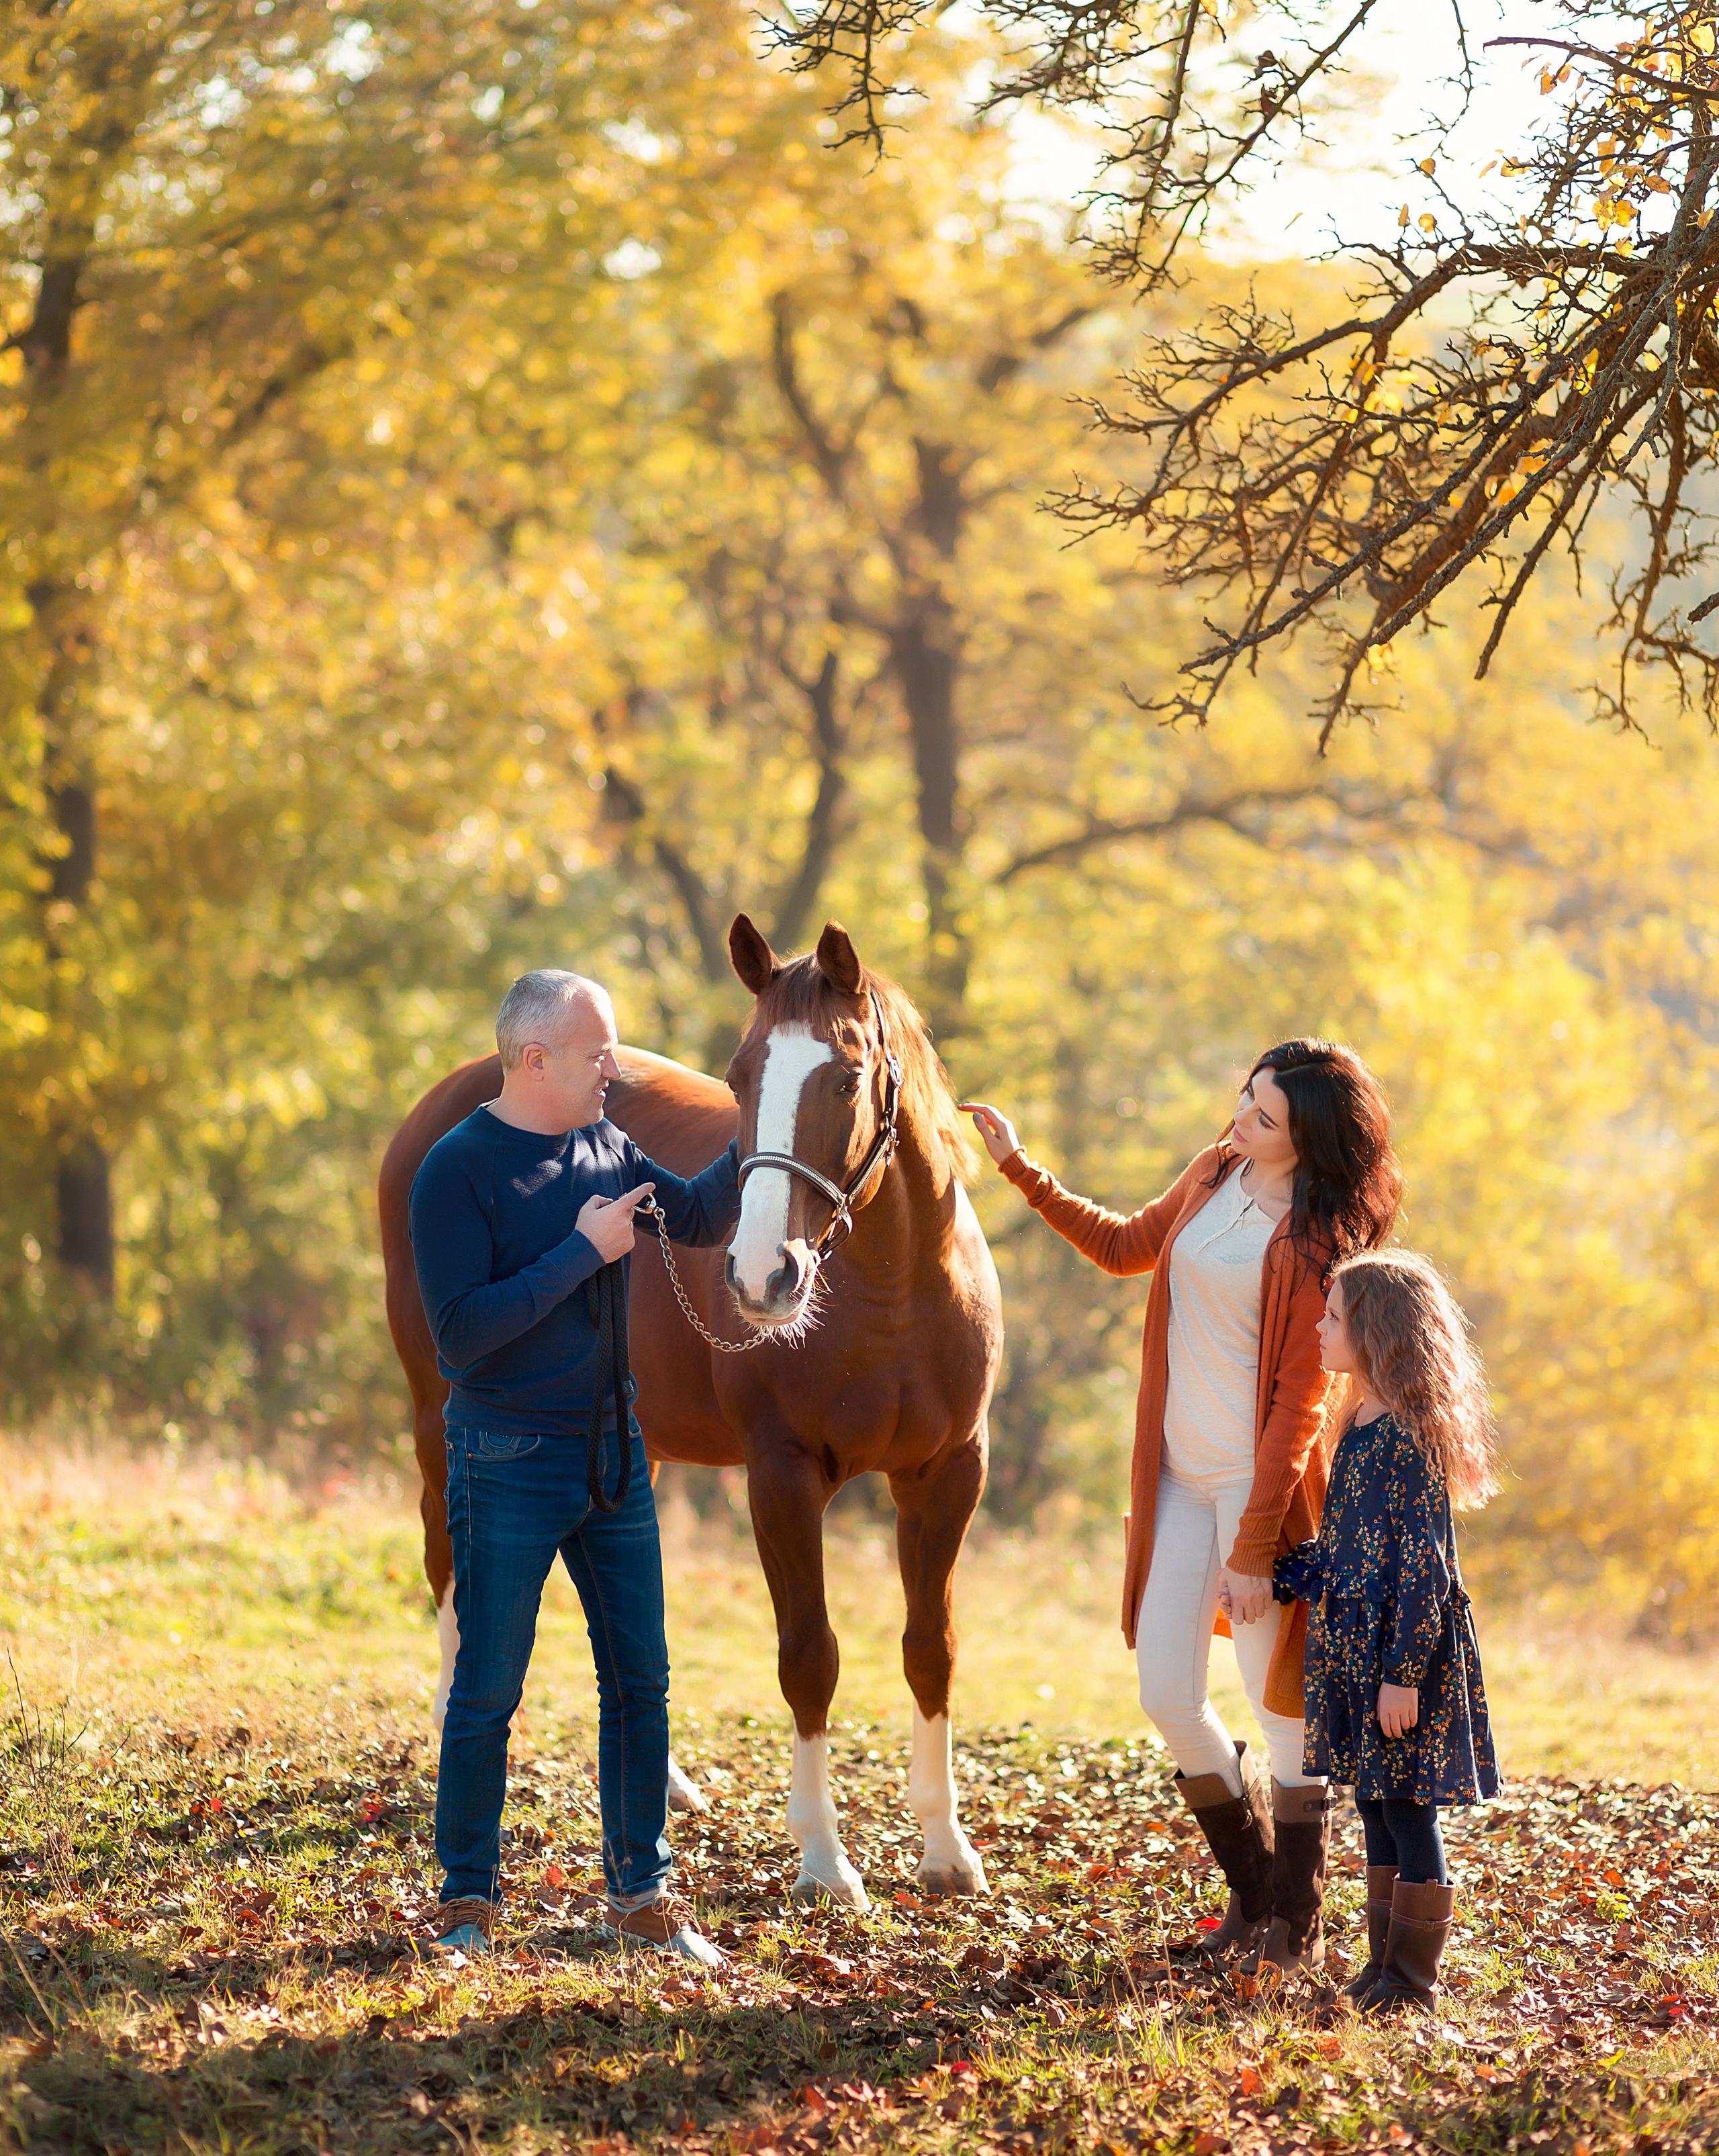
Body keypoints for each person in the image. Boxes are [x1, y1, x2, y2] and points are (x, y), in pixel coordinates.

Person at [966, 1041, 1401, 1972]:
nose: (1241, 1118)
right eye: (1245, 1098)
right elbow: (1127, 1245)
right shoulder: (1214, 1170)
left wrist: (1255, 1546)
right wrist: (1020, 1168)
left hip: (1258, 1490)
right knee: (1166, 1688)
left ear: (1308, 1140)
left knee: (1280, 1709)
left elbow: (1298, 1403)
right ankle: (1256, 1895)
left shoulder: (1318, 1239)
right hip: (1174, 1475)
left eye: (1265, 1115)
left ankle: (1293, 1924)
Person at [409, 968, 741, 1965]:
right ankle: (465, 1901)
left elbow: (695, 1216)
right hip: (506, 1457)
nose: (616, 1067)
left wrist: (767, 1125)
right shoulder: (455, 1169)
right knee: (488, 1690)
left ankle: (641, 1894)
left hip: (616, 1455)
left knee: (641, 1680)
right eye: (598, 1051)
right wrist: (584, 1251)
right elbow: (462, 1338)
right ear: (535, 1057)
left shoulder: (610, 1142)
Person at [1275, 1250, 1500, 2013]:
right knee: (1373, 1800)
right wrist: (1295, 1571)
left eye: (1333, 1316)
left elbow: (1424, 1568)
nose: (1319, 1325)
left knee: (1406, 1807)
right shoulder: (1359, 1422)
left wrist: (1401, 1673)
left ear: (1376, 1331)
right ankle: (1380, 1969)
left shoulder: (1409, 1435)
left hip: (1403, 1654)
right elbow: (1357, 1546)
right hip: (1356, 1648)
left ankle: (1411, 1985)